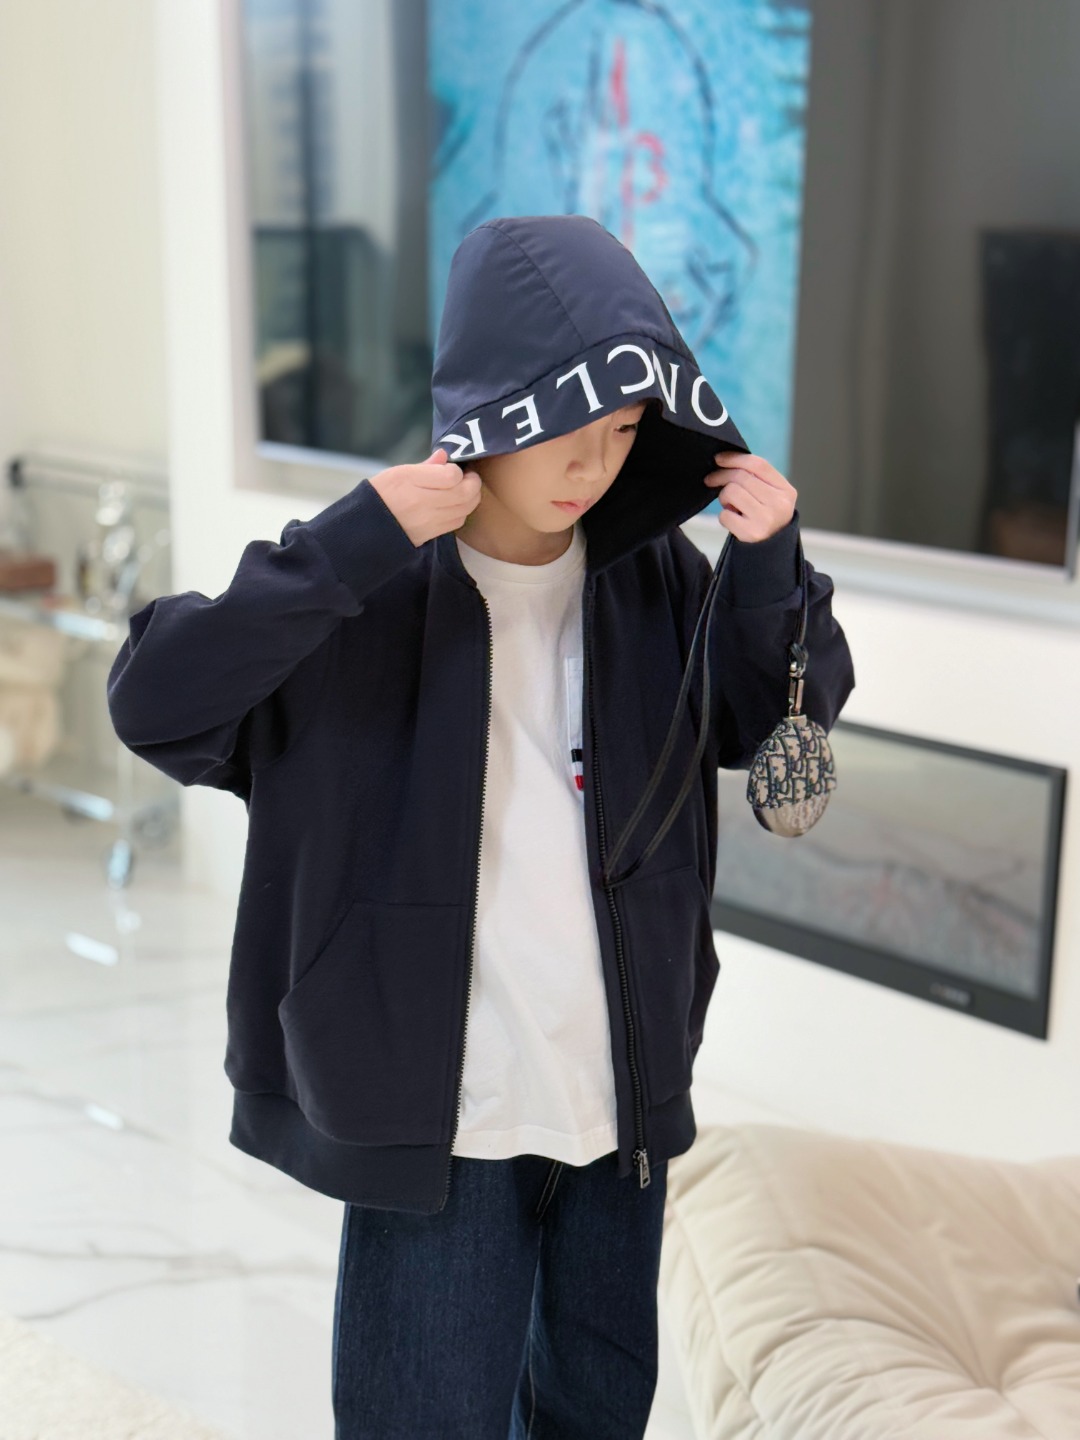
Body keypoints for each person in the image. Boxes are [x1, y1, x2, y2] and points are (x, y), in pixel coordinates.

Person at [107, 213, 856, 1438]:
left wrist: (769, 569)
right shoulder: (363, 590)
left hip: (620, 1099)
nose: (594, 466)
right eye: (569, 427)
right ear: (494, 408)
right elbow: (156, 705)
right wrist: (349, 541)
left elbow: (762, 731)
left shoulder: (656, 573)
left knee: (595, 1413)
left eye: (626, 432)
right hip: (442, 1111)